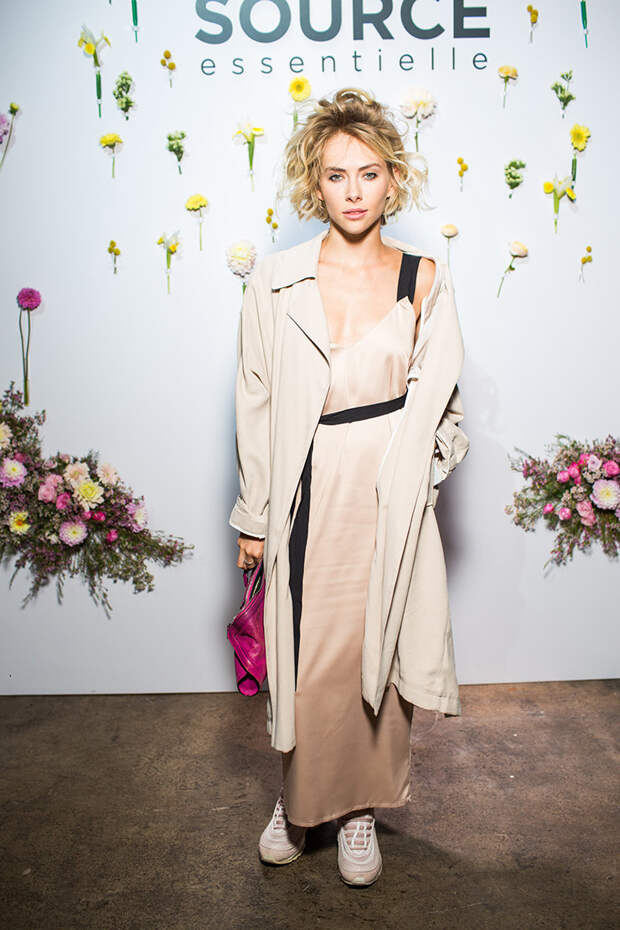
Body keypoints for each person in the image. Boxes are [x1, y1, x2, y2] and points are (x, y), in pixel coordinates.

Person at [229, 87, 470, 887]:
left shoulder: (422, 277)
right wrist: (255, 514)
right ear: (316, 184)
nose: (354, 191)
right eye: (337, 175)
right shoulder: (276, 279)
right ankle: (300, 803)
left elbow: (446, 404)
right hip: (308, 490)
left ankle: (361, 808)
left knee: (381, 655)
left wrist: (417, 479)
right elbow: (255, 398)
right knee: (313, 657)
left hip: (389, 495)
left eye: (369, 173)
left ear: (394, 180)